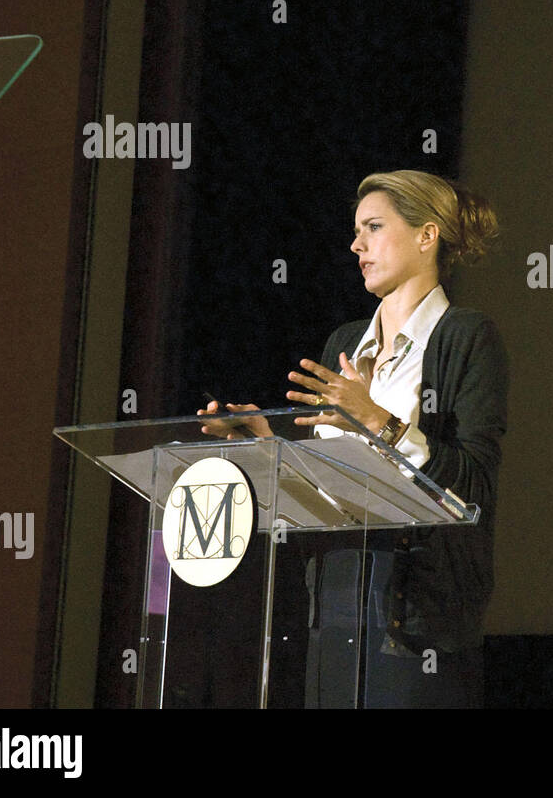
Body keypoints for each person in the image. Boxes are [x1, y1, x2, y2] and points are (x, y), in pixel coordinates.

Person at [198, 169, 508, 707]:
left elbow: (473, 485)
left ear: (425, 235)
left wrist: (378, 420)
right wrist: (266, 441)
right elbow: (326, 483)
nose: (355, 244)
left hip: (417, 617)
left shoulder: (466, 337)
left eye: (373, 227)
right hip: (337, 602)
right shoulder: (344, 343)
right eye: (356, 230)